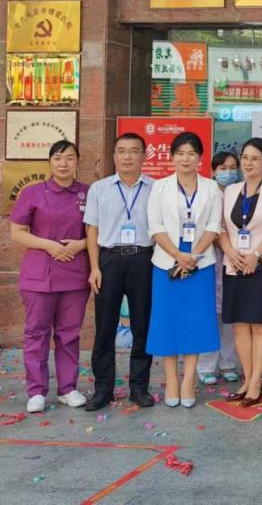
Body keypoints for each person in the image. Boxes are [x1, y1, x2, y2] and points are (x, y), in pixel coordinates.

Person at [9, 140, 90, 413]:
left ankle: (68, 388)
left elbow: (98, 231)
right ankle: (36, 391)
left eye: (69, 158)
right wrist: (50, 246)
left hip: (75, 275)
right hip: (39, 275)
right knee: (37, 333)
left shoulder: (88, 193)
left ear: (77, 161)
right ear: (49, 162)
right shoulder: (33, 193)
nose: (63, 163)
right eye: (58, 158)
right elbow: (17, 232)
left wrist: (80, 245)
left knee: (69, 334)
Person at [146, 132, 222, 408]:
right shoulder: (160, 187)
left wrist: (193, 256)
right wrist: (178, 255)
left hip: (200, 263)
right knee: (168, 321)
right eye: (180, 153)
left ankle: (188, 379)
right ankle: (171, 379)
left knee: (194, 321)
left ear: (200, 157)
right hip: (167, 262)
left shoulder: (211, 188)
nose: (185, 158)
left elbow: (214, 226)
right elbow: (155, 227)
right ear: (172, 156)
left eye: (191, 153)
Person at [83, 133, 155, 411]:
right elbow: (92, 230)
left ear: (143, 156)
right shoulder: (99, 189)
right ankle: (103, 389)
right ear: (114, 156)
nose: (127, 156)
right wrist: (94, 268)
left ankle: (139, 387)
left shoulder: (155, 188)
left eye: (134, 151)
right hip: (109, 260)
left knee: (142, 325)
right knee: (105, 327)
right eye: (122, 151)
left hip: (143, 260)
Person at [219, 138, 262, 407]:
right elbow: (220, 228)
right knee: (239, 325)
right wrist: (230, 253)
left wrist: (255, 255)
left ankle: (256, 382)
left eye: (255, 158)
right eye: (245, 158)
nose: (248, 163)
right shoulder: (230, 191)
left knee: (259, 324)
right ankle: (247, 379)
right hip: (234, 264)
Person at [199, 150, 242, 385]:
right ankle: (206, 365)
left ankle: (228, 363)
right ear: (213, 171)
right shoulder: (206, 193)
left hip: (236, 259)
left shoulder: (242, 192)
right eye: (223, 168)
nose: (228, 172)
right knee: (209, 313)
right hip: (210, 257)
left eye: (233, 167)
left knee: (230, 313)